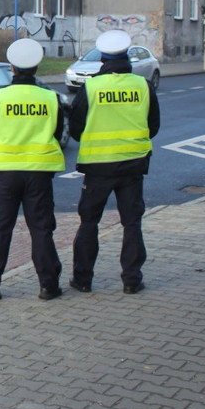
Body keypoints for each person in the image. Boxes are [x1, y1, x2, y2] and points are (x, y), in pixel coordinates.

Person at [67, 29, 160, 295]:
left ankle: (82, 279)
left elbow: (76, 127)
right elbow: (153, 125)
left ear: (103, 58)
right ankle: (132, 280)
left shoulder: (92, 87)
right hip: (133, 165)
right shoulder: (142, 86)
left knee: (89, 223)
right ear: (126, 56)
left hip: (97, 167)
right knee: (131, 223)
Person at [0, 38, 66, 301]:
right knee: (41, 229)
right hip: (39, 172)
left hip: (5, 173)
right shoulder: (51, 98)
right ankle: (48, 286)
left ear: (11, 68)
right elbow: (58, 134)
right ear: (37, 68)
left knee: (0, 230)